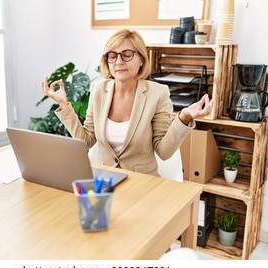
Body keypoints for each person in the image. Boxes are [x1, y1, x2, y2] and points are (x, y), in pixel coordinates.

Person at [40, 29, 213, 176]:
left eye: (127, 54)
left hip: (141, 183)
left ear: (141, 60)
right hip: (102, 180)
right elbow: (87, 141)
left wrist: (183, 117)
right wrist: (64, 105)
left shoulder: (158, 93)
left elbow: (164, 151)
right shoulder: (98, 89)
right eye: (112, 56)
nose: (119, 61)